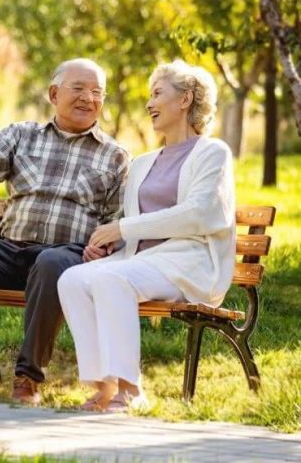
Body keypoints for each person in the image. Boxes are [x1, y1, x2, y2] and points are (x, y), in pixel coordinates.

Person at [0, 58, 129, 404]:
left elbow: (118, 218)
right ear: (53, 93)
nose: (88, 98)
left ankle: (28, 377)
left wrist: (105, 247)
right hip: (10, 248)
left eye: (97, 92)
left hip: (67, 255)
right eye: (78, 88)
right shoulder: (22, 135)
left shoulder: (115, 156)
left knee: (50, 263)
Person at [58, 60, 236, 412]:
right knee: (72, 279)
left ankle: (131, 390)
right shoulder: (142, 162)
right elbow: (138, 226)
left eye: (157, 94)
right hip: (142, 261)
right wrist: (113, 243)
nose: (149, 103)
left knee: (112, 280)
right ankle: (103, 385)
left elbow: (199, 214)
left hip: (189, 264)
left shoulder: (213, 152)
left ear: (185, 100)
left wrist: (123, 228)